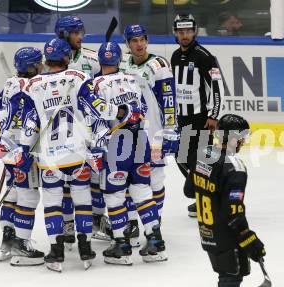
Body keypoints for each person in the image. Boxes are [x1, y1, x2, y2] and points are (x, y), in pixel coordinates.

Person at [16, 38, 140, 272]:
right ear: (66, 58)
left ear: (46, 59)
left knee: (52, 203)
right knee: (82, 199)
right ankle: (85, 248)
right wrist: (122, 111)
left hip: (49, 159)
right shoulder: (79, 78)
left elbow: (30, 123)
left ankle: (56, 251)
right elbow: (99, 108)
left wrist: (23, 150)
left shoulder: (32, 86)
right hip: (77, 155)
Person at [93, 41, 167, 265]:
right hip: (140, 141)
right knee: (142, 191)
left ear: (100, 61)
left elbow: (93, 120)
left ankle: (121, 245)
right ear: (119, 59)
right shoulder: (132, 80)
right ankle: (155, 241)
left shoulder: (95, 85)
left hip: (116, 145)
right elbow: (143, 110)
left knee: (114, 195)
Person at [184, 114, 266, 287]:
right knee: (231, 279)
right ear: (233, 138)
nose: (243, 143)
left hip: (207, 234)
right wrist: (249, 238)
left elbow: (189, 190)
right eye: (241, 138)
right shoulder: (235, 168)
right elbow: (234, 213)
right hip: (227, 237)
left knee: (226, 276)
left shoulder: (201, 154)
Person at [119, 24, 179, 243]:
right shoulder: (123, 62)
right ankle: (132, 222)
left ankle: (156, 221)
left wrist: (170, 132)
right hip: (128, 134)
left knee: (155, 180)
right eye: (134, 40)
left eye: (142, 39)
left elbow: (169, 100)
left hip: (153, 135)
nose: (139, 44)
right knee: (129, 181)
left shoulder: (159, 65)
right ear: (127, 43)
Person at [0, 47, 45, 266]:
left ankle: (7, 240)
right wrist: (25, 148)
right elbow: (34, 118)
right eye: (39, 63)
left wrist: (5, 138)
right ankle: (22, 244)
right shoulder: (34, 87)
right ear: (31, 66)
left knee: (12, 195)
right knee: (28, 196)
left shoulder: (9, 84)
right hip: (24, 149)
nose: (42, 66)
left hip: (7, 146)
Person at [54, 15, 110, 243]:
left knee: (95, 175)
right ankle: (67, 224)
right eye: (76, 33)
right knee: (66, 177)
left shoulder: (91, 58)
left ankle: (96, 219)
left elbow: (101, 91)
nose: (81, 37)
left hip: (88, 127)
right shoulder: (53, 58)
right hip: (63, 129)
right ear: (64, 34)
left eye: (81, 32)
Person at [170, 14, 225, 217]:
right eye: (181, 31)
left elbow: (217, 88)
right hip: (182, 119)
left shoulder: (205, 56)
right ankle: (203, 193)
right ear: (176, 33)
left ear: (195, 31)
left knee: (202, 160)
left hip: (201, 119)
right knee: (181, 157)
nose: (185, 35)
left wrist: (213, 116)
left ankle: (209, 196)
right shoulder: (175, 56)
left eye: (188, 31)